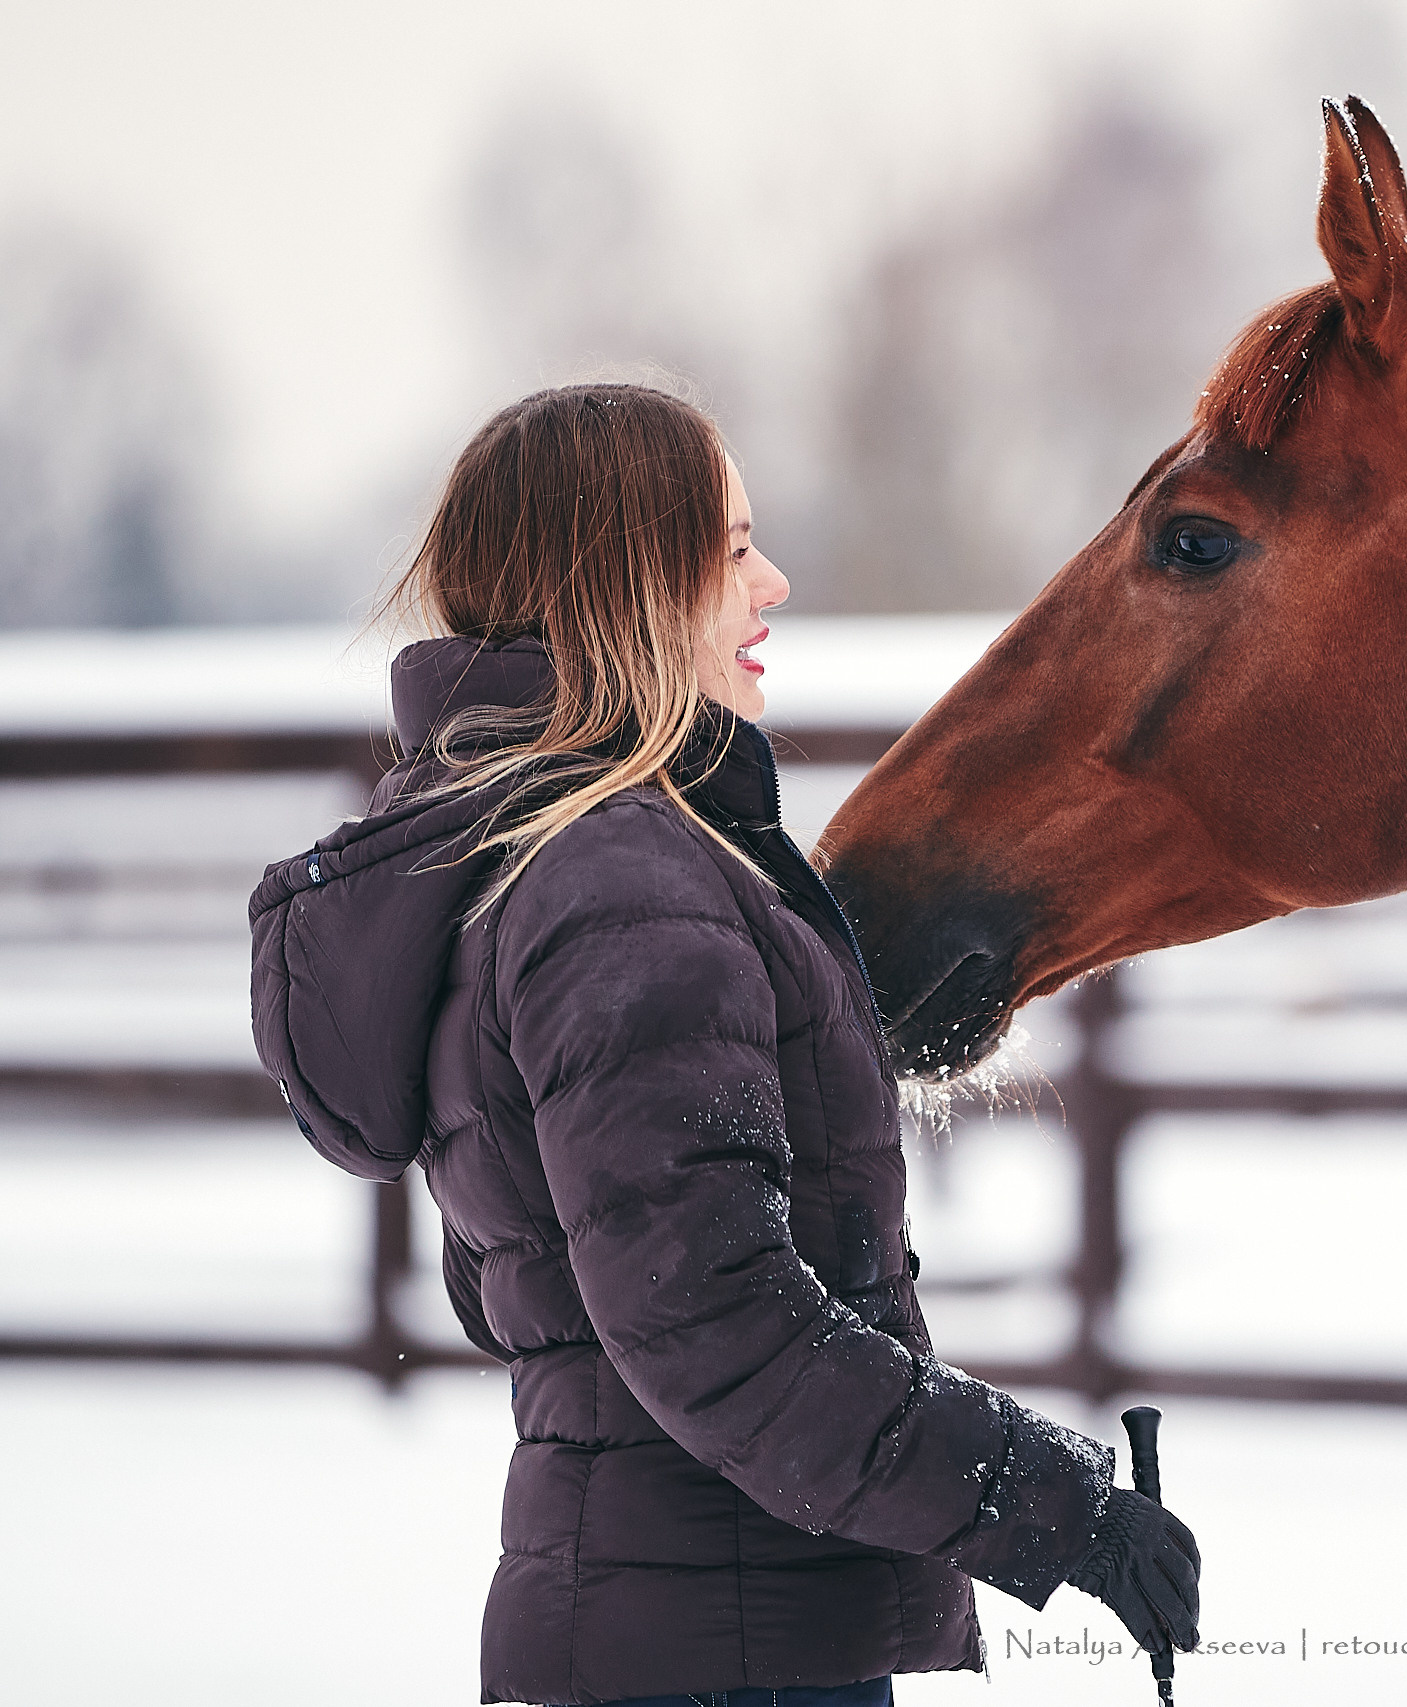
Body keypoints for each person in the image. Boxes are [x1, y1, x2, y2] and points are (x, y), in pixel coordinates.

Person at [248, 384, 1201, 1706]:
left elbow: (549, 1291)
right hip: (724, 1659)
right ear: (630, 579)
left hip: (686, 1626)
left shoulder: (537, 862)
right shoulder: (615, 882)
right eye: (734, 548)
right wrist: (1059, 1508)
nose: (774, 583)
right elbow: (718, 1326)